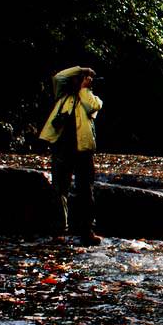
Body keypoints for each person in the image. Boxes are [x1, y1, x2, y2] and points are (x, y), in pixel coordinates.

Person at [38, 66, 103, 245]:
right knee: (60, 189)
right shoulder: (62, 96)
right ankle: (59, 231)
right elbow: (58, 77)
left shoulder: (93, 99)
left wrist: (84, 88)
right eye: (80, 78)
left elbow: (91, 106)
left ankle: (86, 231)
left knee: (86, 191)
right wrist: (80, 69)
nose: (81, 80)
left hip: (83, 150)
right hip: (62, 148)